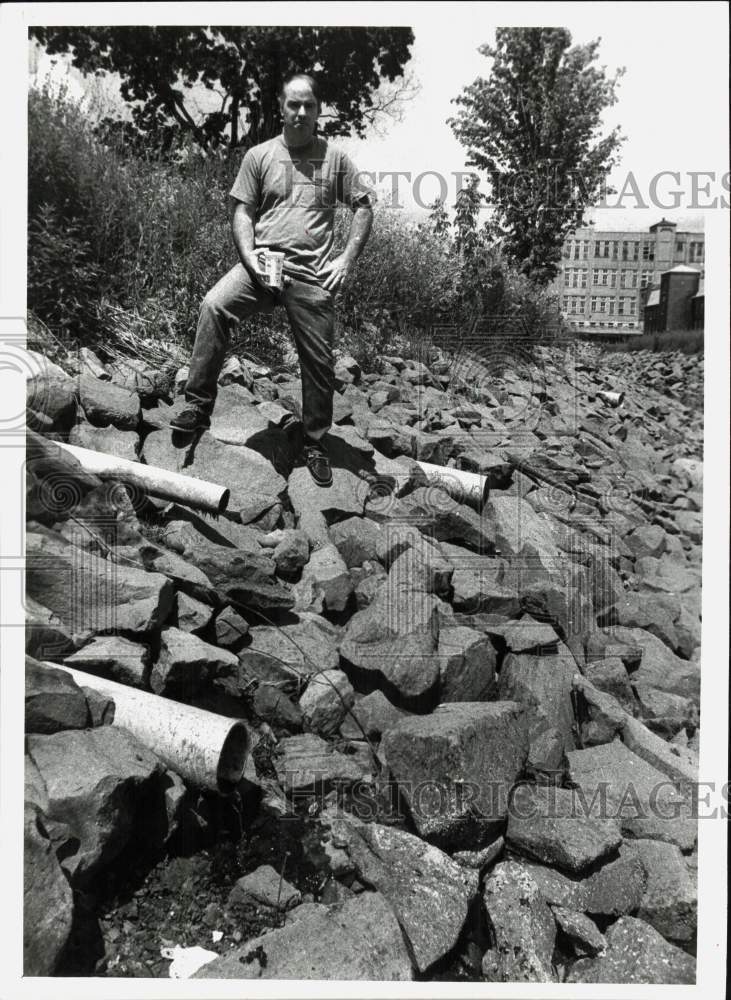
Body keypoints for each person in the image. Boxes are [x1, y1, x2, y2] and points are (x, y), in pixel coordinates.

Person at [171, 72, 374, 487]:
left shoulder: (335, 159)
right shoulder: (259, 156)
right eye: (293, 104)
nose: (300, 112)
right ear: (281, 108)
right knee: (213, 305)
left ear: (318, 111)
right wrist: (250, 258)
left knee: (318, 361)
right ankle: (197, 405)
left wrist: (345, 261)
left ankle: (315, 438)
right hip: (262, 266)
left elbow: (364, 207)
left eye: (309, 105)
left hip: (312, 273)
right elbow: (242, 213)